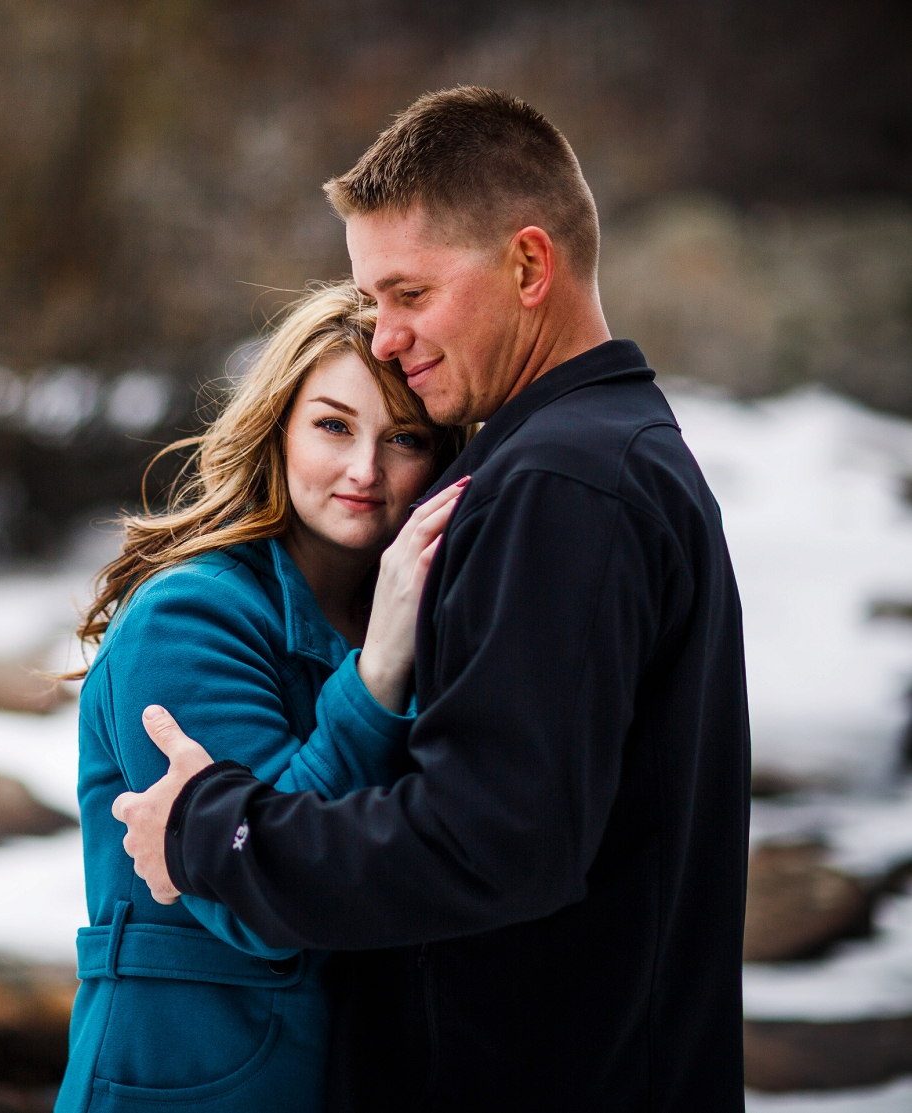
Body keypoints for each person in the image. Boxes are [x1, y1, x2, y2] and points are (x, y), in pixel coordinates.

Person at [112, 87, 752, 1111]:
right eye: (372, 302)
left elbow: (489, 842)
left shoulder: (559, 484)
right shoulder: (599, 456)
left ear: (528, 265)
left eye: (408, 294)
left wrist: (215, 831)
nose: (382, 336)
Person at [56, 283, 472, 1113]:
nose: (366, 469)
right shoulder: (190, 615)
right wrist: (378, 671)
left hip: (346, 1065)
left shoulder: (422, 611)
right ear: (278, 424)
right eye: (333, 425)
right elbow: (261, 890)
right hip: (189, 1073)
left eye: (405, 438)